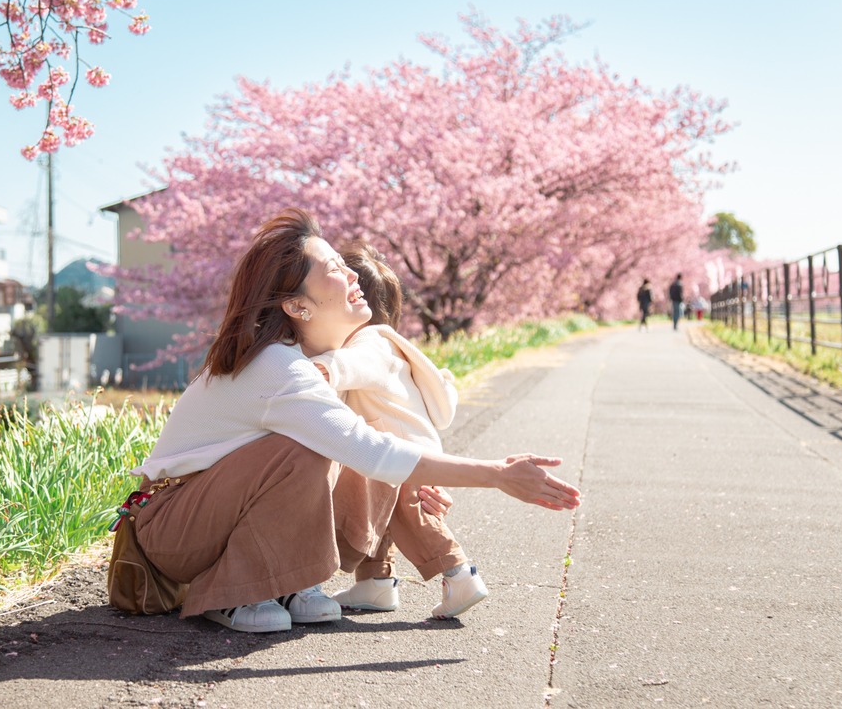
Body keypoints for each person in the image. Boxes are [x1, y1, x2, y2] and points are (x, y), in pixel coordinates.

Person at [129, 209, 581, 634]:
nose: (351, 273)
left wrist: (422, 477)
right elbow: (366, 451)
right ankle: (230, 593)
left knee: (355, 437)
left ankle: (287, 583)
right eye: (332, 268)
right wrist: (498, 475)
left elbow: (374, 446)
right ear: (296, 306)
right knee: (304, 446)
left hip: (212, 519)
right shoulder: (275, 367)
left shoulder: (314, 363)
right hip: (172, 533)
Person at [311, 243, 487, 619]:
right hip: (412, 451)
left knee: (415, 520)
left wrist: (322, 368)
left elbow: (354, 365)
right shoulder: (396, 349)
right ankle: (376, 583)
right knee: (384, 518)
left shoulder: (369, 342)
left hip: (403, 457)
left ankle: (460, 575)